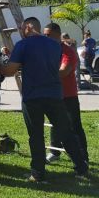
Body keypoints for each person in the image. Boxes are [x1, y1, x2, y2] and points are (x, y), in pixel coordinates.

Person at [0, 17, 88, 182]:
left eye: (23, 28)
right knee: (66, 132)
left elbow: (9, 71)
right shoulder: (55, 45)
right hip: (55, 95)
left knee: (36, 136)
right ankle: (81, 168)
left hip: (33, 97)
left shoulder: (22, 45)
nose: (21, 31)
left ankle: (38, 173)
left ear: (30, 27)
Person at [43, 23, 89, 164]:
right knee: (54, 124)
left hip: (68, 96)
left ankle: (83, 157)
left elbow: (63, 72)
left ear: (58, 34)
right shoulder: (46, 50)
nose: (46, 37)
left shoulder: (67, 52)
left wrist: (41, 73)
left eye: (48, 35)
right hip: (52, 94)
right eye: (45, 35)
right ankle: (55, 153)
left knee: (74, 126)